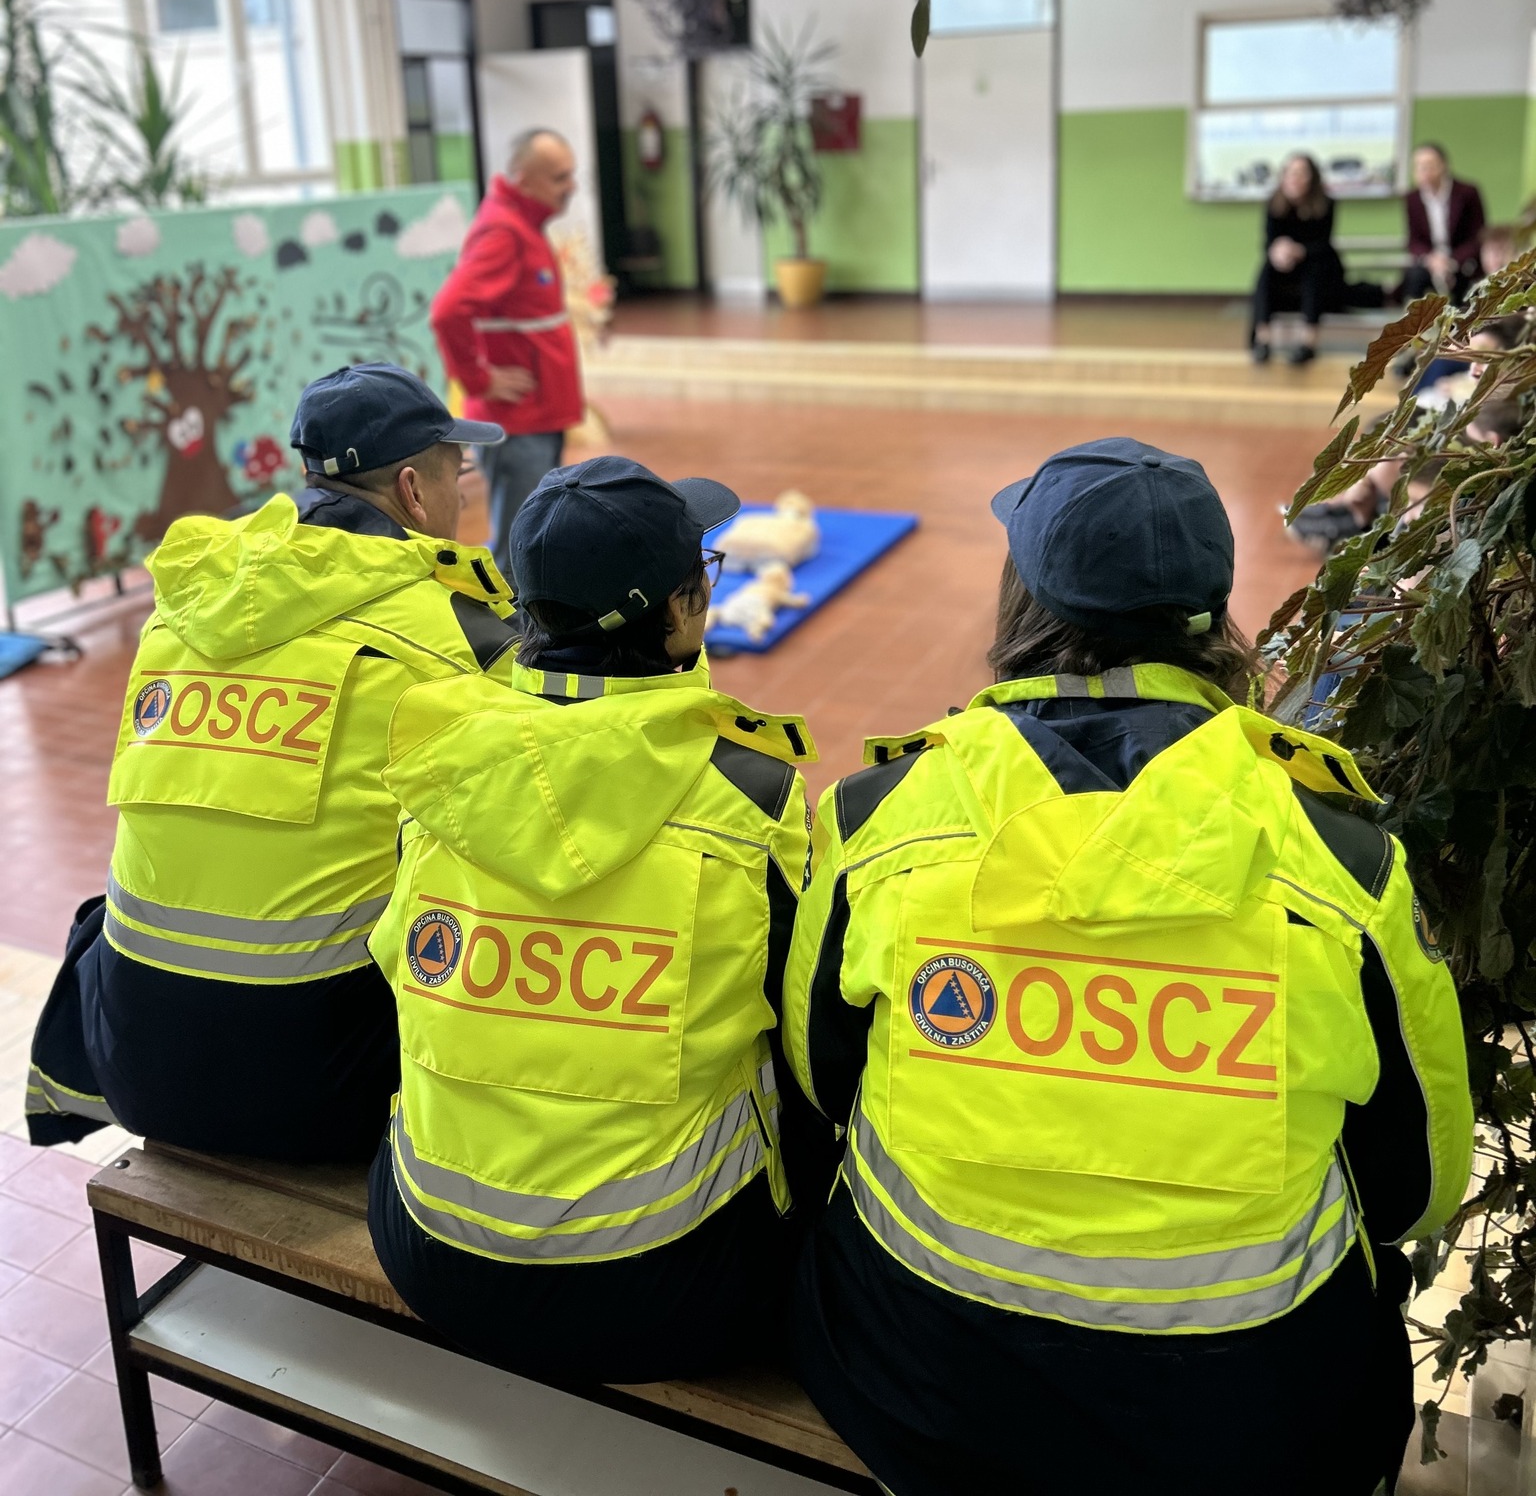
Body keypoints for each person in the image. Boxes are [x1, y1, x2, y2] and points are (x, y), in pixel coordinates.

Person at [785, 437, 1472, 1496]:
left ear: (1022, 598)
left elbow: (821, 1080)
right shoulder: (1343, 867)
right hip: (1256, 1430)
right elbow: (1419, 1187)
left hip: (922, 1393)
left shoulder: (878, 820)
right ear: (1213, 614)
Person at [367, 456, 827, 1383]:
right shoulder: (752, 795)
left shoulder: (442, 768)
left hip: (432, 1247)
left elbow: (396, 968)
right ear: (683, 614)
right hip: (666, 1280)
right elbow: (808, 1034)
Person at [25, 365, 516, 1162]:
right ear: (412, 491)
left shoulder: (186, 602)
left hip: (136, 1063)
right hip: (327, 1094)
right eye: (455, 473)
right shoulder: (460, 635)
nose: (462, 495)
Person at [430, 128, 584, 579]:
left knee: (536, 538)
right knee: (519, 550)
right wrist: (479, 380)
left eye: (571, 175)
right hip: (518, 423)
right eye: (558, 177)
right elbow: (448, 311)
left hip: (538, 416)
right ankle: (510, 623)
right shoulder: (504, 231)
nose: (570, 186)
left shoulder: (525, 226)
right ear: (522, 178)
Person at [1250, 152, 1350, 366]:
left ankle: (1308, 342)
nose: (1295, 178)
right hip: (1286, 271)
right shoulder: (1274, 203)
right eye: (1291, 173)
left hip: (1322, 270)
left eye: (1301, 173)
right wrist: (1278, 252)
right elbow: (1268, 242)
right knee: (1267, 270)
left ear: (1312, 178)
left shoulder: (1325, 203)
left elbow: (1323, 244)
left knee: (1313, 270)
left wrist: (1299, 250)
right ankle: (1263, 340)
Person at [1401, 142, 1486, 303]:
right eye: (1419, 167)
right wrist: (1432, 260)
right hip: (1430, 262)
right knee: (1413, 277)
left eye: (1429, 166)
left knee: (1465, 287)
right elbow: (1414, 241)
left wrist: (1451, 261)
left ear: (1443, 166)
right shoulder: (1412, 198)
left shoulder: (1467, 193)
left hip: (1460, 261)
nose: (1424, 172)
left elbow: (1477, 237)